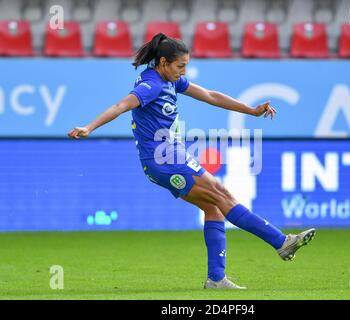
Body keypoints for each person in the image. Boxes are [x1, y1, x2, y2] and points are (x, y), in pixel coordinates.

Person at [68, 33, 316, 290]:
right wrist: (89, 127)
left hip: (169, 157)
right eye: (180, 66)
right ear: (163, 62)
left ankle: (216, 279)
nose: (183, 71)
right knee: (222, 194)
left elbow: (210, 95)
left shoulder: (170, 81)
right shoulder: (151, 85)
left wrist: (251, 110)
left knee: (214, 208)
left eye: (185, 66)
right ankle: (281, 242)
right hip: (164, 159)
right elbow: (121, 105)